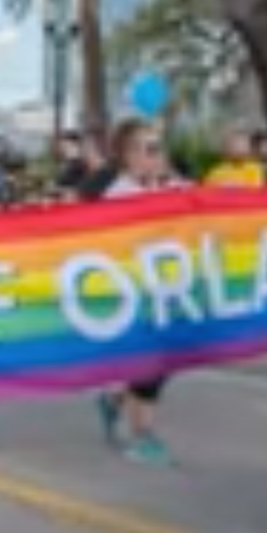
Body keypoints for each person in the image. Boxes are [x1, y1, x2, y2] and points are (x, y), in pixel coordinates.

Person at [94, 119, 177, 466]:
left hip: (169, 290)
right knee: (149, 364)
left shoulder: (174, 187)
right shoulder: (120, 194)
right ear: (128, 156)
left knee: (164, 362)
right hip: (133, 293)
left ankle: (114, 398)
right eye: (149, 149)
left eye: (159, 147)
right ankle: (141, 435)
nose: (157, 156)